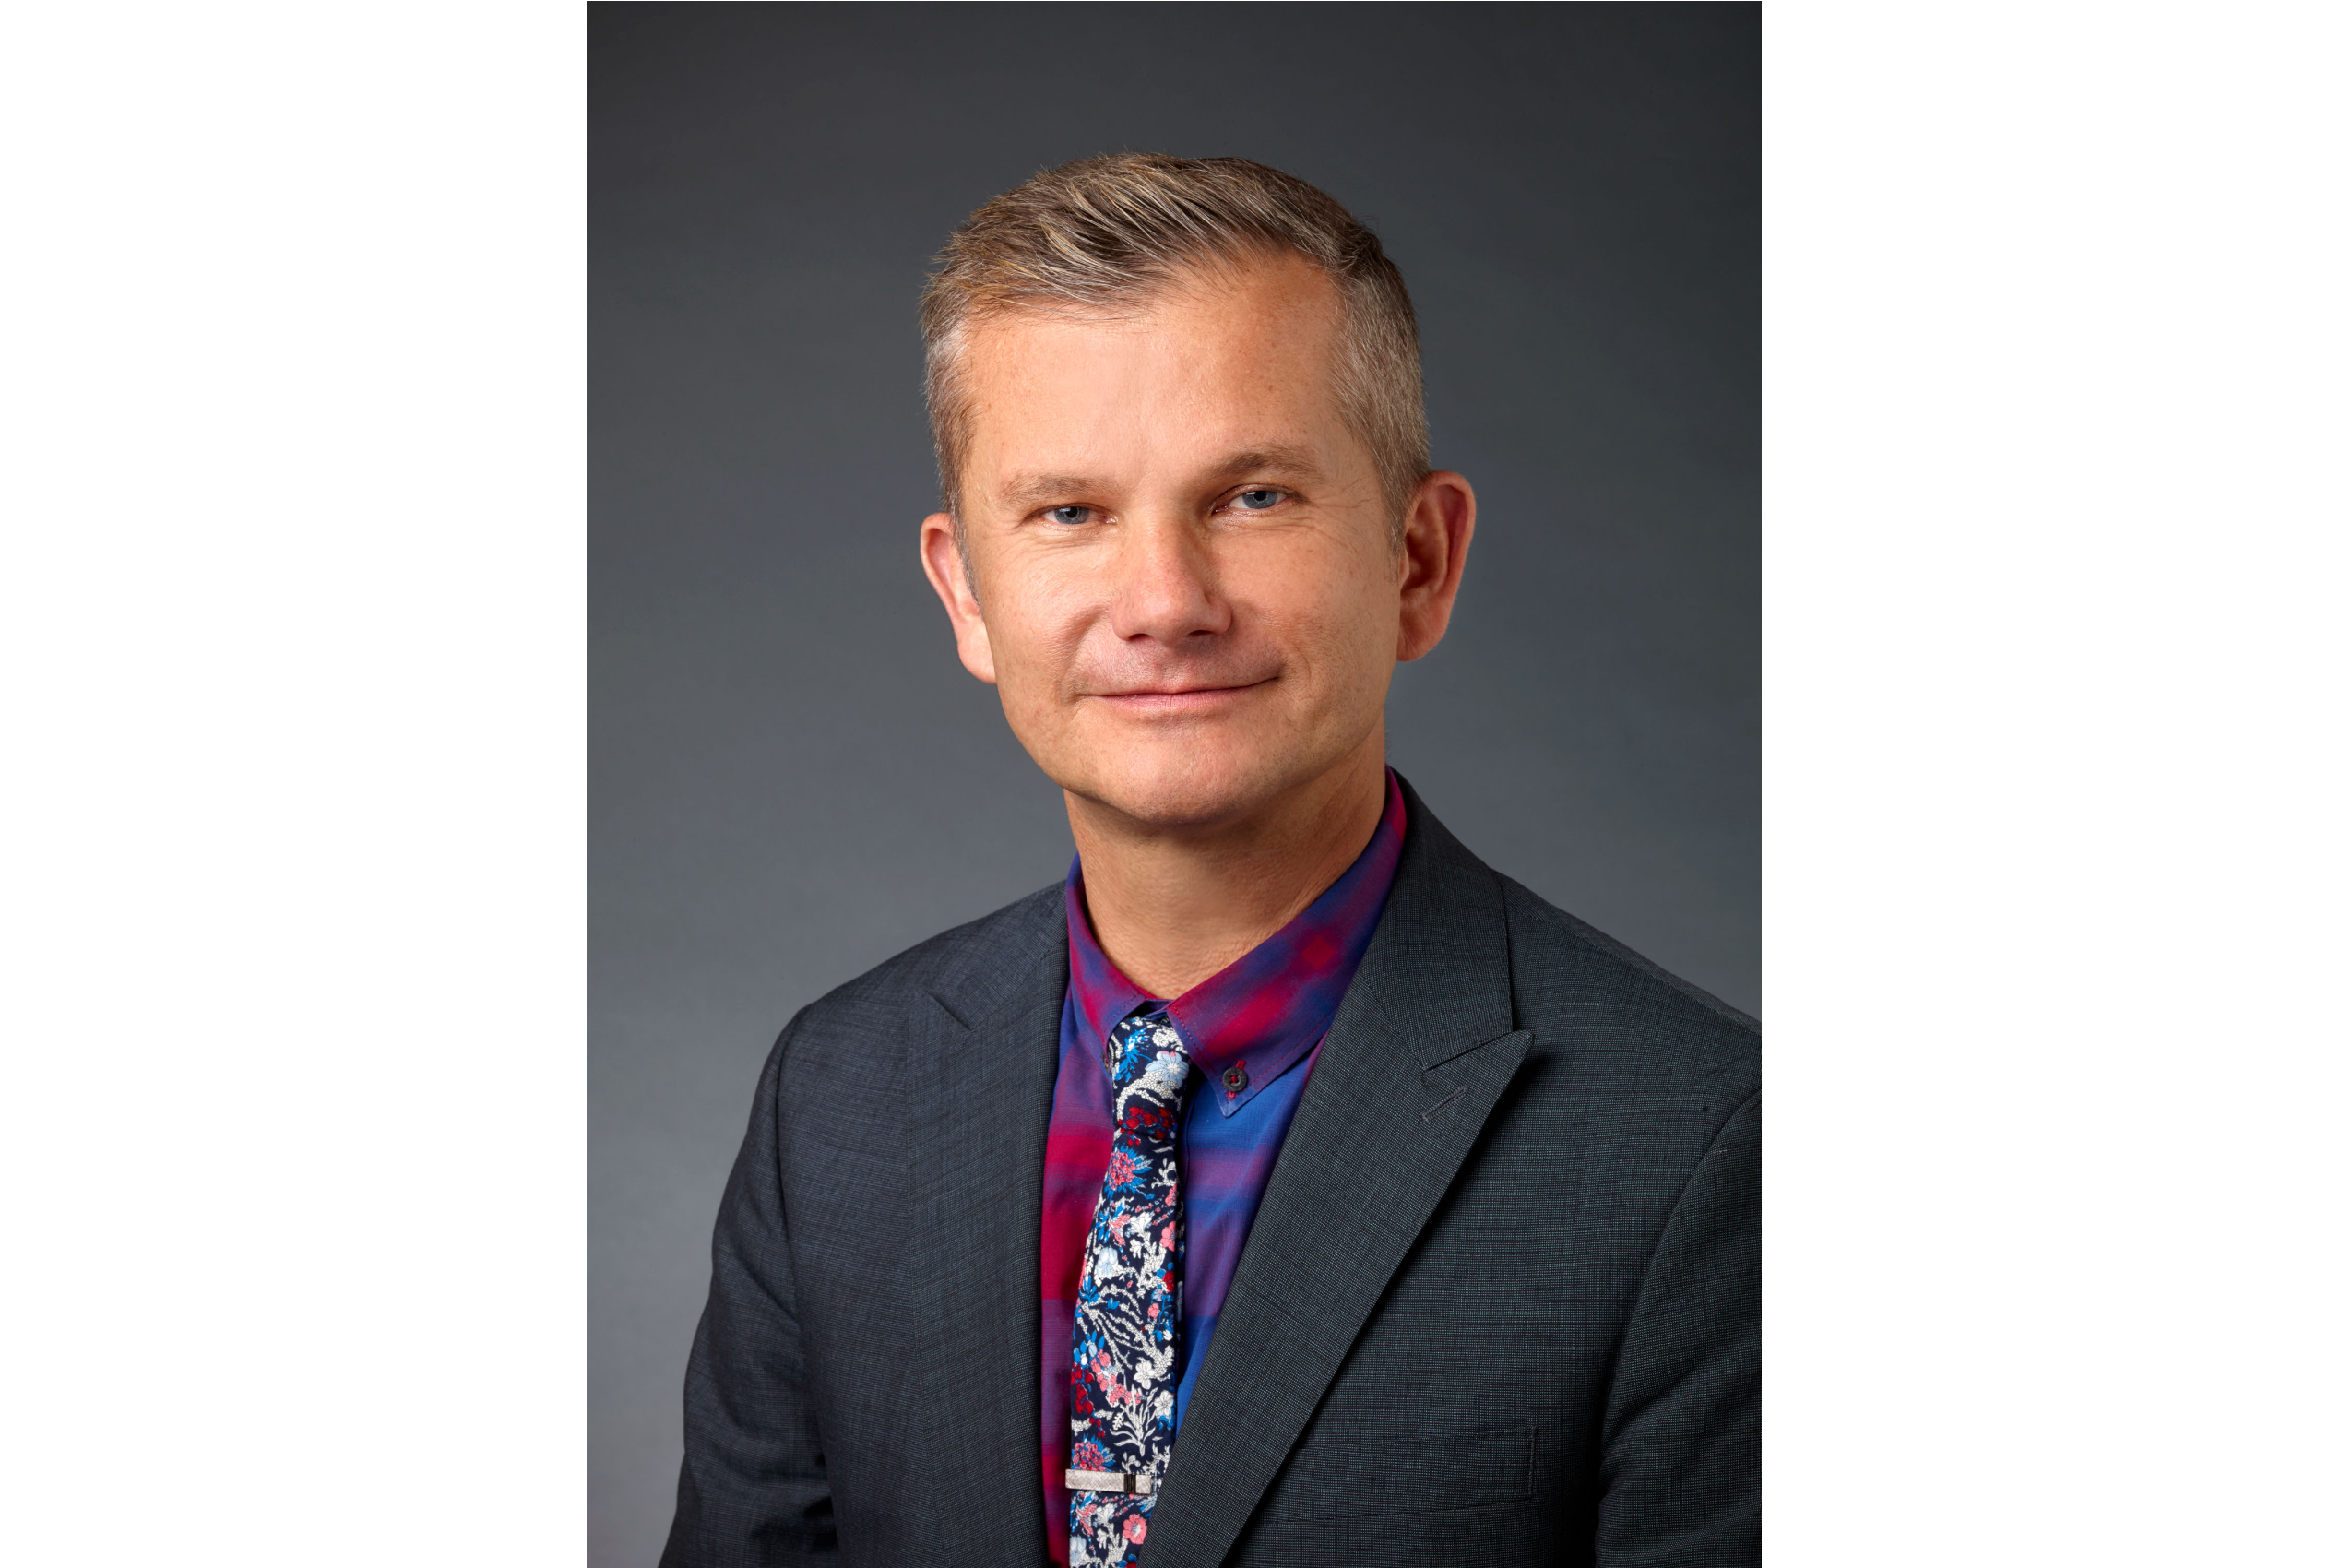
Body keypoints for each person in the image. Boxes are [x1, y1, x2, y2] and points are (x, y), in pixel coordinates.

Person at [659, 153, 1757, 1568]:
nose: (1164, 603)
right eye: (1068, 513)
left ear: (1417, 561)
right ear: (967, 596)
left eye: (1251, 498)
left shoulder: (1701, 1147)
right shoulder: (843, 1096)